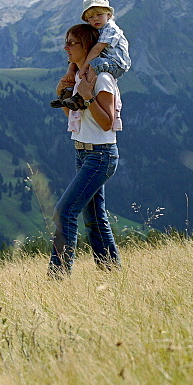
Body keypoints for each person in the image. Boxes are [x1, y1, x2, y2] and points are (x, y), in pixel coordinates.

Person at [49, 23, 123, 278]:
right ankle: (111, 272)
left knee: (64, 211)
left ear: (88, 47)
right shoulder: (81, 75)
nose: (66, 47)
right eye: (66, 42)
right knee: (94, 217)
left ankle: (58, 277)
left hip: (100, 154)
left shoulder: (101, 78)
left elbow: (107, 122)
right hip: (84, 153)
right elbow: (75, 116)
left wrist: (88, 96)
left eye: (72, 42)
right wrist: (63, 96)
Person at [51, 0, 130, 110]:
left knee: (94, 63)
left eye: (99, 15)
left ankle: (80, 96)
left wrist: (83, 69)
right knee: (78, 60)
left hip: (117, 63)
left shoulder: (110, 29)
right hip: (104, 59)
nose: (95, 19)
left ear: (108, 15)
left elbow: (96, 49)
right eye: (91, 17)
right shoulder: (97, 29)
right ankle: (67, 93)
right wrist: (71, 71)